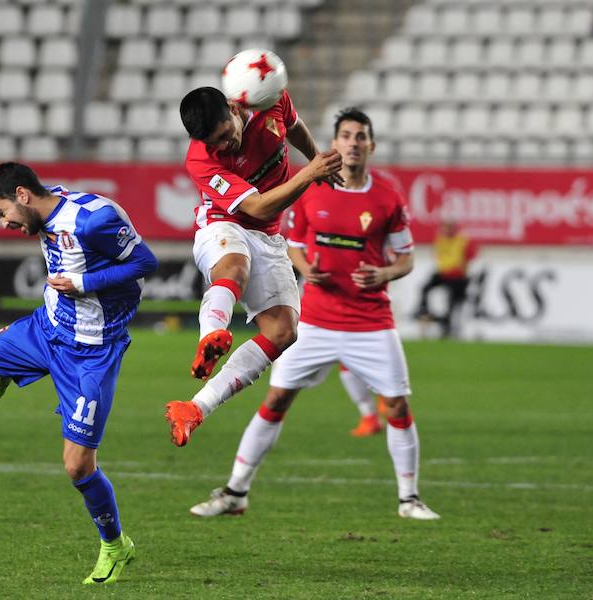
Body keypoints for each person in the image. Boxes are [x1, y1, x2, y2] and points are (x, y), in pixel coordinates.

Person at [0, 141, 158, 585]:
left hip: (93, 350)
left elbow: (147, 261)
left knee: (77, 467)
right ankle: (12, 369)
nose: (5, 223)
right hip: (45, 328)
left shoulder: (95, 219)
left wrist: (84, 282)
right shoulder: (32, 200)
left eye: (2, 213)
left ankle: (114, 545)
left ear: (23, 197)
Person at [188, 108, 440, 521]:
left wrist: (385, 272)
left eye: (361, 136)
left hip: (371, 321)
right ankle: (235, 491)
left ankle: (409, 498)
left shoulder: (388, 197)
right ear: (334, 143)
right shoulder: (312, 190)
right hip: (316, 321)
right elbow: (290, 242)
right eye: (345, 135)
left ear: (371, 146)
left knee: (396, 405)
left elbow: (407, 259)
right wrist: (305, 268)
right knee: (276, 399)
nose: (353, 143)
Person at [164, 86, 344, 447]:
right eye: (214, 143)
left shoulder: (268, 99)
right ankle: (209, 337)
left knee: (284, 331)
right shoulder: (200, 160)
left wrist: (315, 159)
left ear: (234, 108)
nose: (224, 146)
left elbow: (293, 125)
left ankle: (194, 409)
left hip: (269, 236)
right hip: (223, 223)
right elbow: (259, 207)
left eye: (226, 135)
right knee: (234, 265)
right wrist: (309, 173)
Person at [414, 219, 477, 338]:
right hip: (443, 273)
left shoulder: (463, 239)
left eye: (448, 227)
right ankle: (424, 310)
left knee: (453, 302)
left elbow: (470, 258)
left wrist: (465, 272)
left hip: (458, 276)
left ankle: (448, 326)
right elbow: (438, 255)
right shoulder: (441, 238)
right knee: (425, 288)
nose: (445, 230)